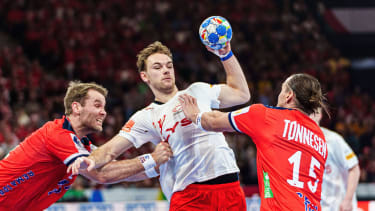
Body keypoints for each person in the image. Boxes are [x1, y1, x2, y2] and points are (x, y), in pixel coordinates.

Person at [69, 40, 250, 210]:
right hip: (191, 196)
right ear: (144, 76)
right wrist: (90, 160)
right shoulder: (146, 116)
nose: (166, 70)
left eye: (169, 66)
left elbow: (241, 94)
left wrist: (226, 55)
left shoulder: (198, 90)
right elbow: (110, 150)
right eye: (157, 67)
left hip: (230, 187)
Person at [0, 81, 172, 210]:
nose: (103, 112)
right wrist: (152, 158)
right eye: (97, 105)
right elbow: (102, 174)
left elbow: (118, 171)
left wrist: (160, 166)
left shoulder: (83, 146)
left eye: (104, 107)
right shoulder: (57, 133)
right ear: (76, 107)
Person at [179, 73, 329, 211]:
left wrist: (195, 115)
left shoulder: (267, 116)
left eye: (282, 90)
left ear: (289, 95)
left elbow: (213, 121)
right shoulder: (320, 137)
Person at [310, 108, 360, 211]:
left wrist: (348, 200)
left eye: (313, 113)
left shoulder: (333, 140)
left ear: (320, 115)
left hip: (339, 207)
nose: (310, 116)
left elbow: (354, 169)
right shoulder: (300, 142)